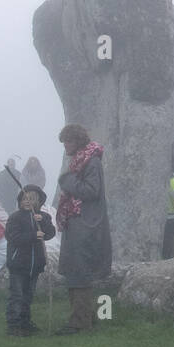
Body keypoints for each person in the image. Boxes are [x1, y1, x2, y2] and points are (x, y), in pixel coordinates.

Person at [54, 124, 112, 334]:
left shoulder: (91, 161)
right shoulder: (81, 160)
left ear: (78, 141)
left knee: (80, 272)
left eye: (68, 141)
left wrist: (67, 181)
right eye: (64, 142)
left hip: (86, 223)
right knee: (75, 271)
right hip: (78, 221)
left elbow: (91, 191)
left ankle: (79, 323)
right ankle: (82, 318)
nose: (65, 146)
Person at [5, 185, 56, 335]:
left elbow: (50, 234)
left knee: (28, 295)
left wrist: (44, 223)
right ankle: (14, 325)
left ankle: (25, 322)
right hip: (18, 264)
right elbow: (13, 237)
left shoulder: (44, 217)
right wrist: (33, 235)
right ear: (20, 201)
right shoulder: (15, 217)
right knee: (17, 295)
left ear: (39, 202)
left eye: (32, 199)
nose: (27, 201)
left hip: (35, 265)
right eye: (24, 198)